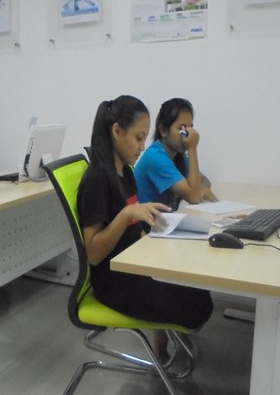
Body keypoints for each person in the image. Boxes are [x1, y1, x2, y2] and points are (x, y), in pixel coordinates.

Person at [78, 95, 213, 359]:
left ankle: (165, 343)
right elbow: (93, 254)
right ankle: (163, 347)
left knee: (199, 292)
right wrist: (126, 213)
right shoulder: (97, 180)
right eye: (139, 138)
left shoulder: (126, 173)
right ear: (117, 131)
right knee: (197, 305)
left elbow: (134, 231)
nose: (142, 146)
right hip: (113, 281)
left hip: (133, 264)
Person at [134, 98, 217, 211]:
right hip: (146, 221)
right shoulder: (156, 158)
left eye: (190, 128)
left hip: (165, 219)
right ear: (163, 130)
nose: (186, 134)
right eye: (181, 128)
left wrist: (204, 189)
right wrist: (192, 148)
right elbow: (194, 198)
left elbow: (203, 180)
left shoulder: (177, 156)